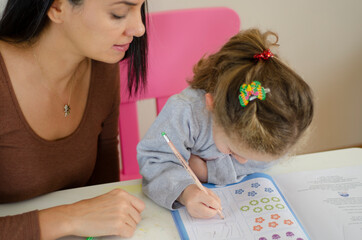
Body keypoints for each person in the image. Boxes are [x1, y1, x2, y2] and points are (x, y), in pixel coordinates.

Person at [0, 0, 148, 239]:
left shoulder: (102, 68)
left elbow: (104, 193)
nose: (140, 28)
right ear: (57, 7)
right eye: (118, 13)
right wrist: (70, 217)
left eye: (140, 9)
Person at [137, 28, 314, 219]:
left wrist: (207, 172)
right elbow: (154, 162)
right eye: (233, 150)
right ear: (211, 105)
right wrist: (186, 192)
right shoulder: (185, 112)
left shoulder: (277, 128)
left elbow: (261, 163)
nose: (244, 162)